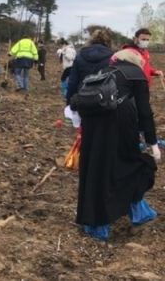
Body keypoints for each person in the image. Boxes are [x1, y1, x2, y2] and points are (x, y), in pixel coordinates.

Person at [76, 48, 160, 241]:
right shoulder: (136, 74)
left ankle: (97, 225)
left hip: (92, 127)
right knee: (134, 165)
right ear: (137, 61)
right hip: (120, 126)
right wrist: (152, 142)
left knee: (97, 170)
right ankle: (137, 212)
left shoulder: (103, 72)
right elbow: (145, 112)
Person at [66, 29, 113, 105]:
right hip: (104, 100)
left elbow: (72, 82)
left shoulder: (80, 55)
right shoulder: (112, 57)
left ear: (91, 40)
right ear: (108, 42)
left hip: (83, 98)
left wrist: (69, 102)